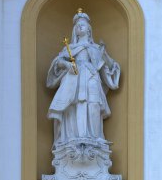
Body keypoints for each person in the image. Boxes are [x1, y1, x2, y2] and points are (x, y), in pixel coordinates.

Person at [47, 8, 120, 149]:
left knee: (93, 104)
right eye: (77, 24)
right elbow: (58, 63)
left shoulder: (96, 48)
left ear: (89, 29)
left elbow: (109, 67)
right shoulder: (70, 47)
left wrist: (104, 55)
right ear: (75, 30)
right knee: (73, 105)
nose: (80, 26)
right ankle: (72, 137)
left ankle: (95, 137)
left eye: (83, 24)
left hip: (91, 77)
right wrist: (67, 64)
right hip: (73, 78)